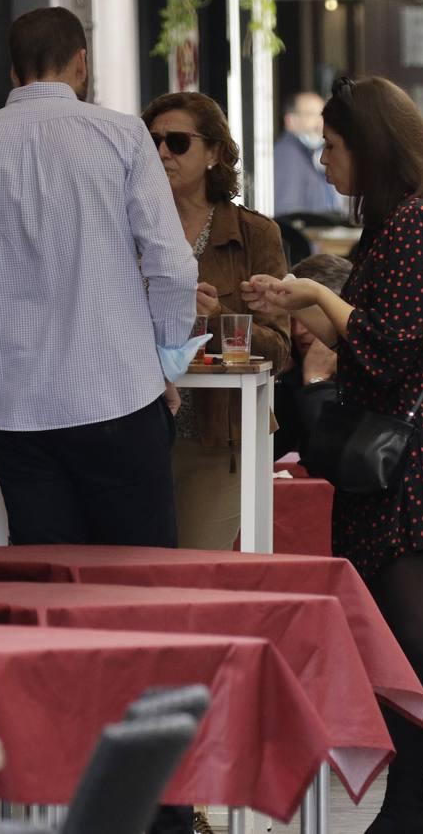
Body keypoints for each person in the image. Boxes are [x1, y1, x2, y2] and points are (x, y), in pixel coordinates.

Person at [241, 76, 423, 834]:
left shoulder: (418, 227)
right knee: (409, 643)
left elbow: (386, 346)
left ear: (369, 148)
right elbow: (375, 342)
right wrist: (305, 301)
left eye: (332, 146)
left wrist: (314, 300)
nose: (324, 159)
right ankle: (409, 805)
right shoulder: (398, 224)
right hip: (421, 455)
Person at [0, 7, 196, 548]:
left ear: (13, 72)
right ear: (82, 63)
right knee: (142, 583)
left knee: (47, 584)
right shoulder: (123, 136)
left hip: (17, 411)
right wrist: (162, 356)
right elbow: (173, 266)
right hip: (119, 391)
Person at [142, 91, 290, 551]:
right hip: (133, 433)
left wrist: (218, 317)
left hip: (215, 439)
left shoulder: (254, 234)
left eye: (178, 142)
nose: (163, 152)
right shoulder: (128, 227)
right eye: (153, 142)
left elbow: (280, 350)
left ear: (214, 153)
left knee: (194, 575)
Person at [272, 253, 351, 459]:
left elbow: (338, 456)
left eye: (310, 316)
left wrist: (316, 380)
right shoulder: (292, 365)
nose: (298, 331)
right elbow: (269, 449)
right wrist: (280, 381)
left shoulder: (370, 367)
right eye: (293, 318)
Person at [273, 91, 344, 217]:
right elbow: (287, 213)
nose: (319, 123)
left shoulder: (310, 153)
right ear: (290, 120)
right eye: (311, 115)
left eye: (323, 115)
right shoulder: (287, 155)